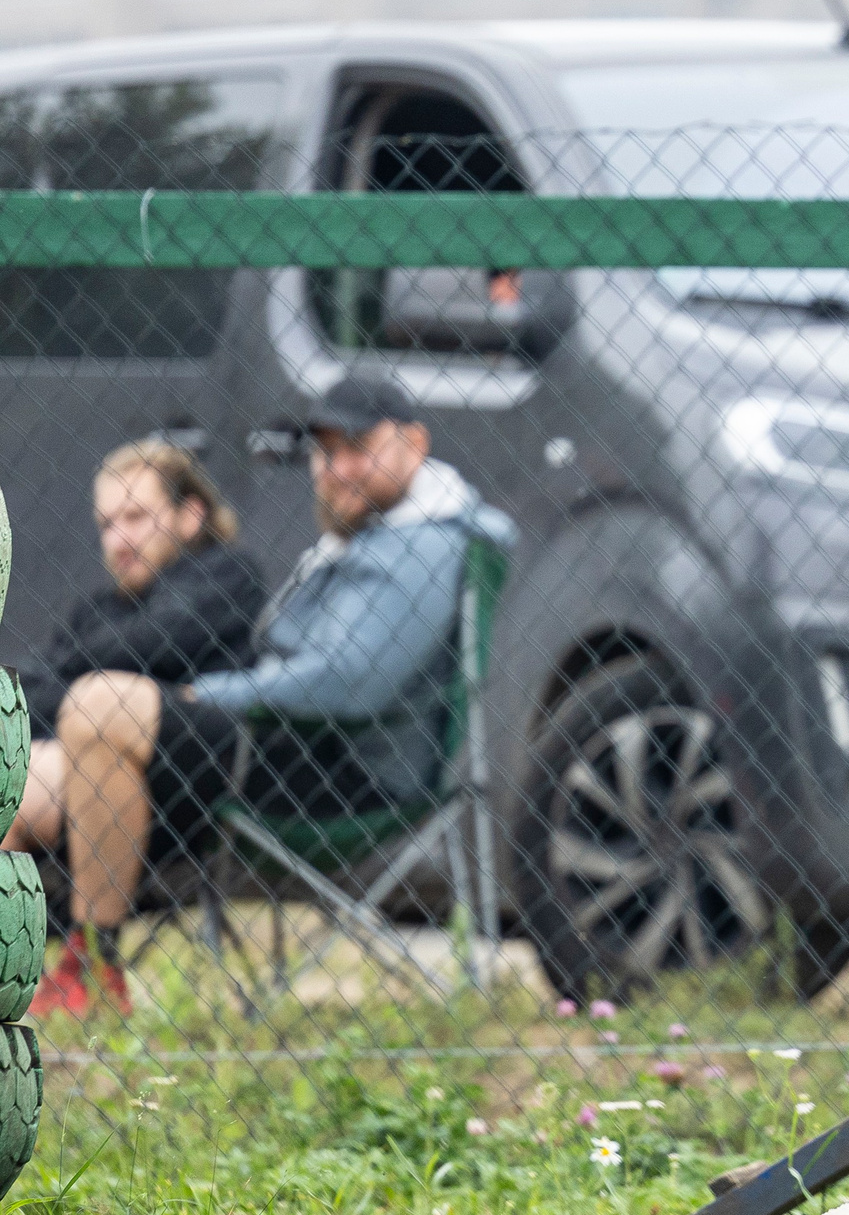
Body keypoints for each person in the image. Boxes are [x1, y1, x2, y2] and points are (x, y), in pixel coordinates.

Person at [24, 376, 515, 1017]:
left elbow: (349, 681)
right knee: (27, 769)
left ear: (414, 444)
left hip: (328, 769)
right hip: (282, 743)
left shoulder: (422, 545)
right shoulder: (374, 537)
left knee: (101, 702)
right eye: (324, 451)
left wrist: (211, 692)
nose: (335, 469)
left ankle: (95, 960)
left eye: (357, 448)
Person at [6, 442, 267, 1015]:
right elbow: (36, 689)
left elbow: (161, 644)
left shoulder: (229, 574)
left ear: (190, 513)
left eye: (136, 518)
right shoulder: (100, 610)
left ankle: (95, 959)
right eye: (106, 524)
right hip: (90, 787)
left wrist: (75, 672)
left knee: (101, 705)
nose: (119, 540)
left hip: (202, 787)